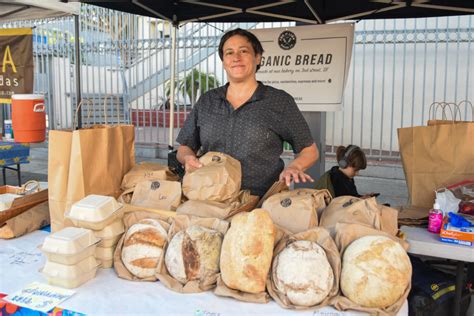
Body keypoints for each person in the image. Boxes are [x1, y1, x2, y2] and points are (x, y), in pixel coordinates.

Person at [176, 28, 318, 197]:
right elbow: (185, 147)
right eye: (229, 53)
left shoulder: (279, 101)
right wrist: (187, 159)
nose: (236, 58)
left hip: (259, 200)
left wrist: (295, 167)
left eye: (244, 51)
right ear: (223, 61)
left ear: (257, 57)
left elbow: (310, 151)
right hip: (209, 195)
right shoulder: (208, 101)